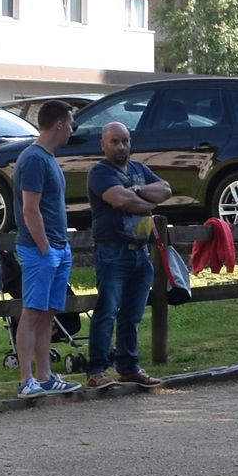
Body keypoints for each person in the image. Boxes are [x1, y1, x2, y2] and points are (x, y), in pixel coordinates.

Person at [83, 120, 166, 393]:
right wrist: (147, 204)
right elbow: (120, 200)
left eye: (125, 141)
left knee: (133, 314)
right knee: (107, 310)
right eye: (115, 141)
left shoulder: (139, 169)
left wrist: (138, 191)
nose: (121, 147)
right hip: (112, 251)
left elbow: (165, 189)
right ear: (103, 144)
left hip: (140, 251)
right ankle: (96, 370)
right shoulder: (100, 172)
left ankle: (128, 367)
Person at [12, 102, 77, 399]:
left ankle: (45, 377)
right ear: (59, 125)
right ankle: (26, 380)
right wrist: (45, 248)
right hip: (40, 249)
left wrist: (59, 247)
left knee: (48, 313)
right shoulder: (34, 159)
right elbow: (30, 209)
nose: (72, 129)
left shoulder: (48, 158)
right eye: (70, 123)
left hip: (58, 247)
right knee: (32, 312)